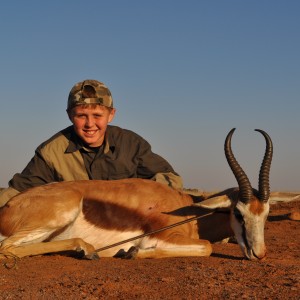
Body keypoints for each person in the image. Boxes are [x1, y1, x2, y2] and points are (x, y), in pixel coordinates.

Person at [0, 79, 182, 206]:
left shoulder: (132, 144)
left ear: (111, 115)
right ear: (70, 115)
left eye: (97, 116)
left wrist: (135, 195)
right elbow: (17, 192)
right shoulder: (50, 152)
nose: (89, 124)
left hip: (128, 223)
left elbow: (170, 179)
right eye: (81, 116)